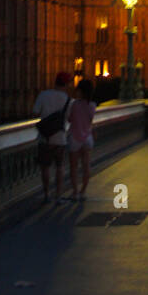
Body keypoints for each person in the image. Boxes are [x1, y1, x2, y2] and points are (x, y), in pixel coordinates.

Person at [33, 71, 72, 201]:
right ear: (66, 84)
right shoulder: (68, 100)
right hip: (60, 138)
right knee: (59, 167)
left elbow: (36, 112)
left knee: (45, 167)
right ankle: (58, 195)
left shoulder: (43, 95)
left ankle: (46, 194)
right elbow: (69, 118)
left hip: (44, 137)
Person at [67, 78, 97, 198]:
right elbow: (90, 120)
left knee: (73, 167)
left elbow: (69, 119)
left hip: (75, 137)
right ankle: (83, 191)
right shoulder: (92, 105)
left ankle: (75, 192)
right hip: (87, 138)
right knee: (86, 166)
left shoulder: (74, 104)